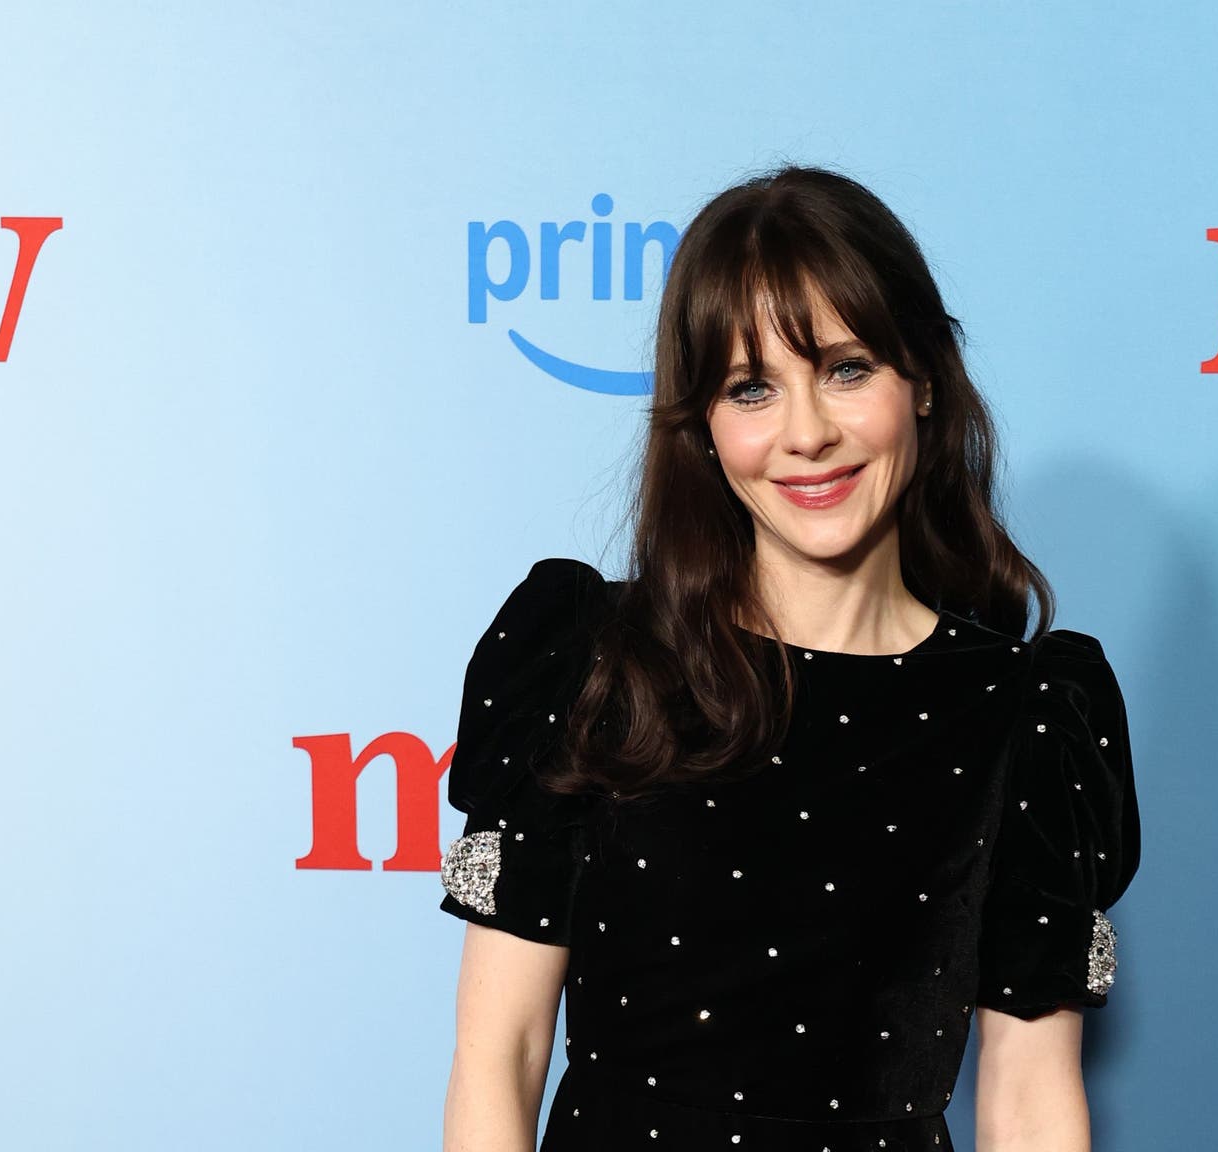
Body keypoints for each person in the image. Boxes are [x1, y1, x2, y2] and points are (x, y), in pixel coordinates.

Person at [439, 165, 1140, 1151]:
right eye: (752, 388)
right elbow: (499, 1054)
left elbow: (1029, 1101)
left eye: (847, 369)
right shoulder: (595, 661)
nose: (806, 434)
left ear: (923, 382)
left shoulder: (1022, 714)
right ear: (704, 427)